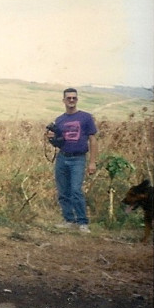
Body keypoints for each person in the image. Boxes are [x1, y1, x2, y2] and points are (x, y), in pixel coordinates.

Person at [47, 87, 98, 233]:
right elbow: (59, 142)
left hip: (78, 159)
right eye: (68, 98)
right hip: (62, 157)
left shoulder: (86, 117)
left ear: (77, 99)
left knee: (76, 191)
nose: (71, 100)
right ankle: (69, 220)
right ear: (63, 100)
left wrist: (92, 162)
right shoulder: (60, 119)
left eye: (74, 98)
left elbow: (93, 140)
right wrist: (51, 139)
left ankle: (82, 222)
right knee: (63, 191)